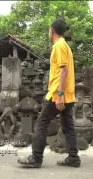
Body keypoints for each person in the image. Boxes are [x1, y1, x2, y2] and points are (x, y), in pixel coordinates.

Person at [17, 18, 80, 168]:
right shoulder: (65, 46)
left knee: (41, 123)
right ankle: (73, 158)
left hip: (58, 94)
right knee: (68, 126)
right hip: (68, 94)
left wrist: (59, 94)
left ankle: (36, 158)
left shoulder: (59, 46)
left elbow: (64, 71)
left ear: (52, 31)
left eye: (48, 30)